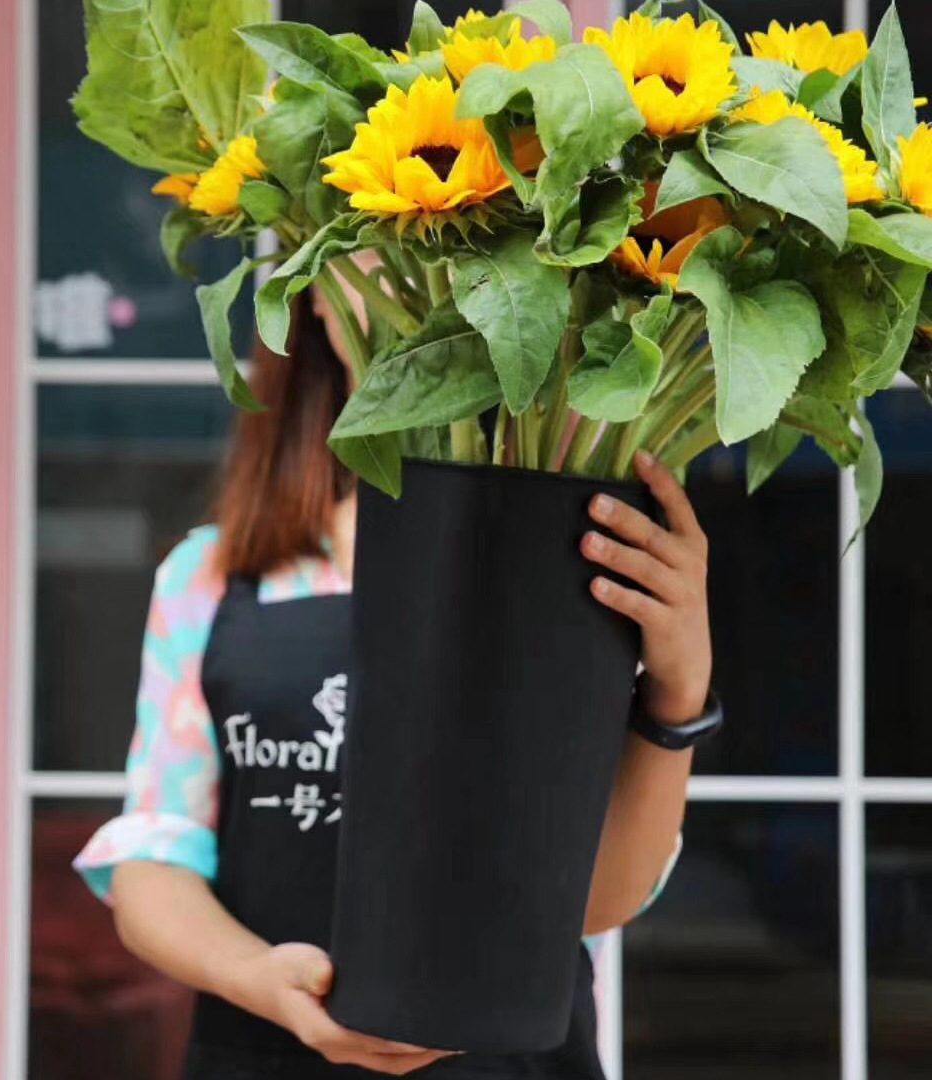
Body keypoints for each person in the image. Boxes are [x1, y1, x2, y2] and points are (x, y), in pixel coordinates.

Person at [74, 261, 714, 1079]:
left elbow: (593, 899)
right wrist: (261, 982)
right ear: (310, 289)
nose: (410, 289)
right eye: (376, 249)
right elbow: (154, 859)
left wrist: (679, 689)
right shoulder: (214, 575)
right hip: (262, 1055)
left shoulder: (576, 554)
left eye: (450, 256)